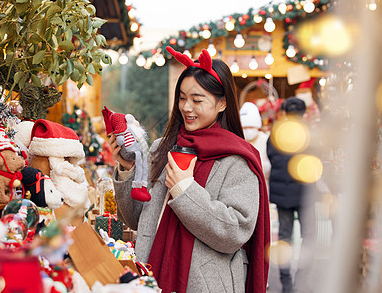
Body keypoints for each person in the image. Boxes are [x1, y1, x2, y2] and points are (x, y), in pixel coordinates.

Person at [107, 46, 270, 293]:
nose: (186, 107)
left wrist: (185, 190)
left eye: (197, 100)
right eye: (182, 98)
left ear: (223, 102)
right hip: (153, 276)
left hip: (207, 285)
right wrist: (130, 169)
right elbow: (136, 219)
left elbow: (236, 231)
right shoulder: (162, 149)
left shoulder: (238, 159)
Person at [266, 97, 315, 293]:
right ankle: (301, 282)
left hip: (283, 195)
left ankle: (286, 284)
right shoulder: (310, 133)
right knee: (309, 238)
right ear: (304, 113)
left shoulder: (276, 134)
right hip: (305, 194)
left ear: (284, 113)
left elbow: (271, 156)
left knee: (285, 239)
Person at [240, 102, 271, 188]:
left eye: (251, 127)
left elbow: (272, 166)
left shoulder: (265, 140)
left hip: (263, 186)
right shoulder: (239, 141)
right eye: (244, 128)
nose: (248, 131)